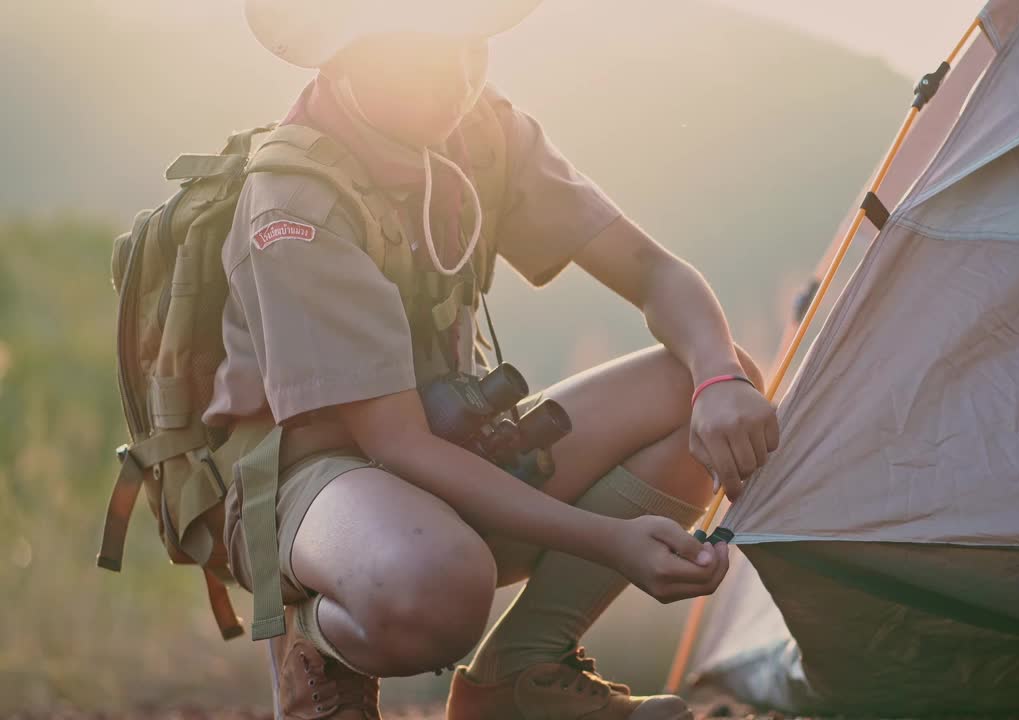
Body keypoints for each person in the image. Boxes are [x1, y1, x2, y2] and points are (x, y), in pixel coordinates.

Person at [210, 1, 779, 718]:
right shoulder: (296, 200)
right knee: (444, 586)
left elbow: (653, 271)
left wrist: (720, 379)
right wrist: (612, 542)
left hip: (448, 445)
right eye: (419, 57)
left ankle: (518, 676)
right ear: (348, 57)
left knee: (701, 382)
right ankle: (314, 640)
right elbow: (395, 440)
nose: (453, 77)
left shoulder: (479, 133)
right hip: (312, 488)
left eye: (467, 47)